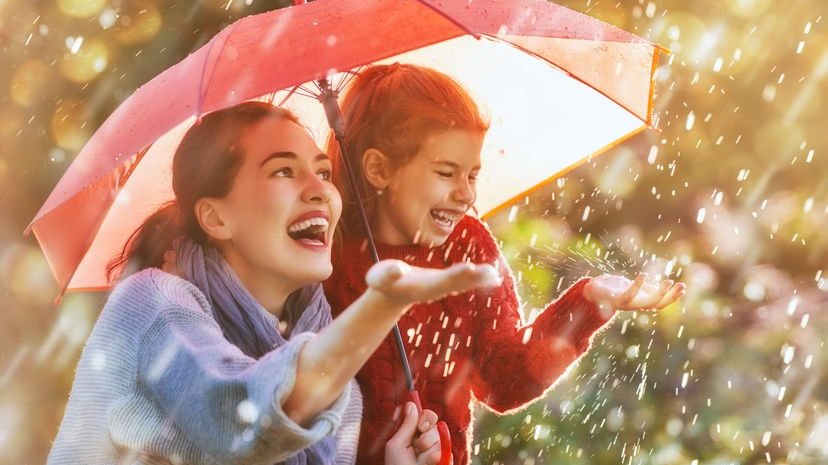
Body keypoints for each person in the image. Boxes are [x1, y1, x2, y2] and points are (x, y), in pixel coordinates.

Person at [46, 101, 500, 465]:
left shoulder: (338, 388)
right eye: (284, 170)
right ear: (216, 217)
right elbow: (241, 427)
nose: (319, 189)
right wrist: (381, 307)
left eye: (323, 172)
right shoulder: (153, 304)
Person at [324, 63, 686, 465]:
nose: (465, 194)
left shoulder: (467, 247)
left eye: (473, 175)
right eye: (446, 173)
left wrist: (588, 303)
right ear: (379, 169)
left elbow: (504, 381)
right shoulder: (328, 261)